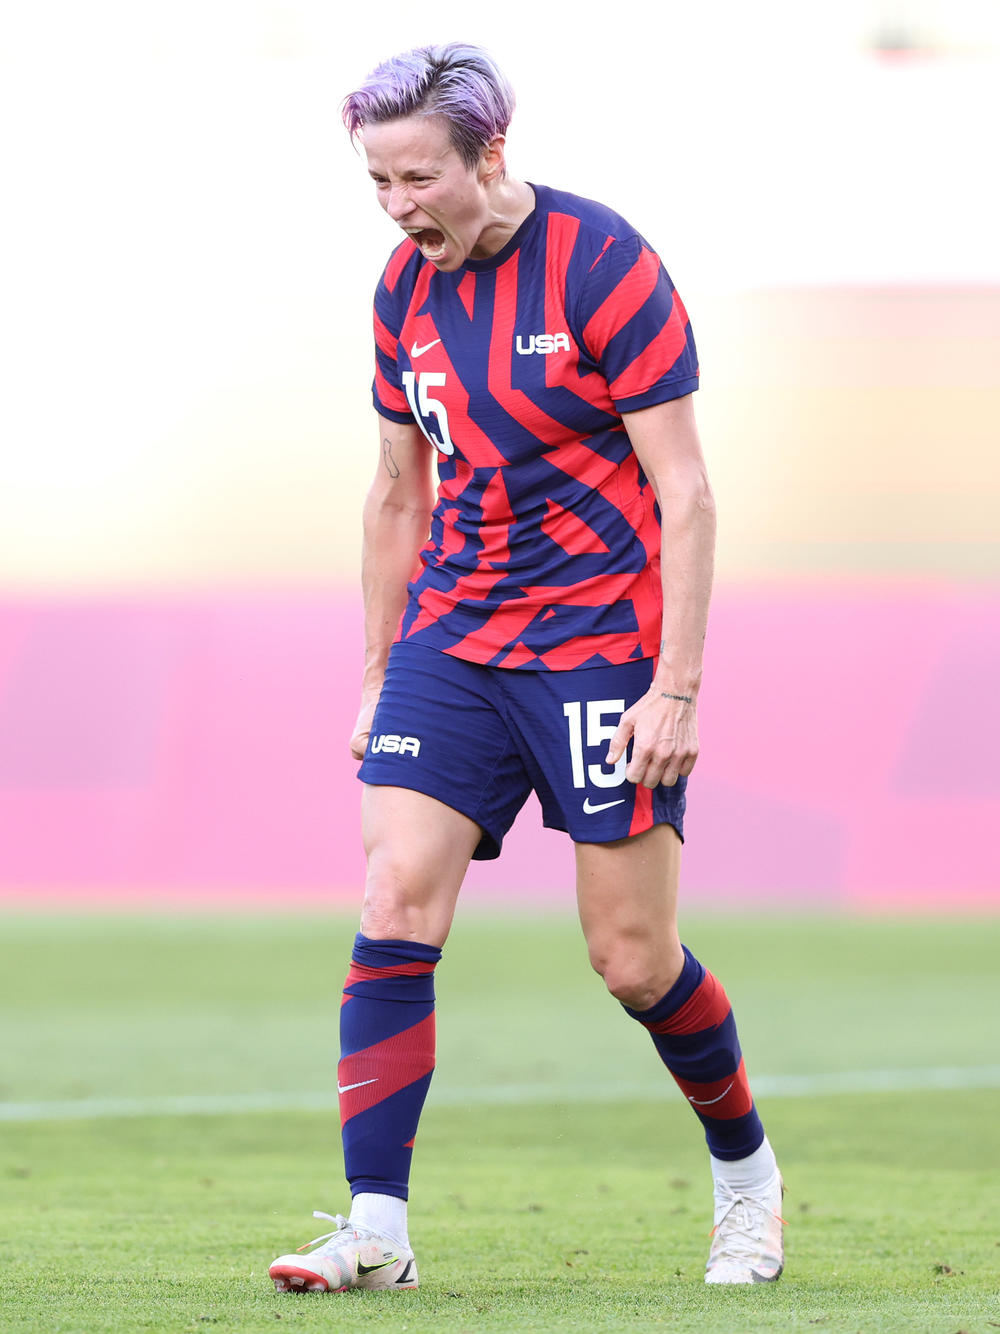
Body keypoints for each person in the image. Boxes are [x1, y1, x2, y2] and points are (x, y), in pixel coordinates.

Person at [269, 42, 784, 1294]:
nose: (398, 207)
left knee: (632, 958)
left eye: (416, 178)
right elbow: (399, 493)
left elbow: (688, 490)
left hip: (602, 649)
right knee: (395, 899)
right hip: (455, 640)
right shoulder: (403, 292)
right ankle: (375, 1226)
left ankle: (745, 1179)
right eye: (377, 182)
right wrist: (382, 670)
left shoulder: (605, 264)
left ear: (488, 154)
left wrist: (677, 684)